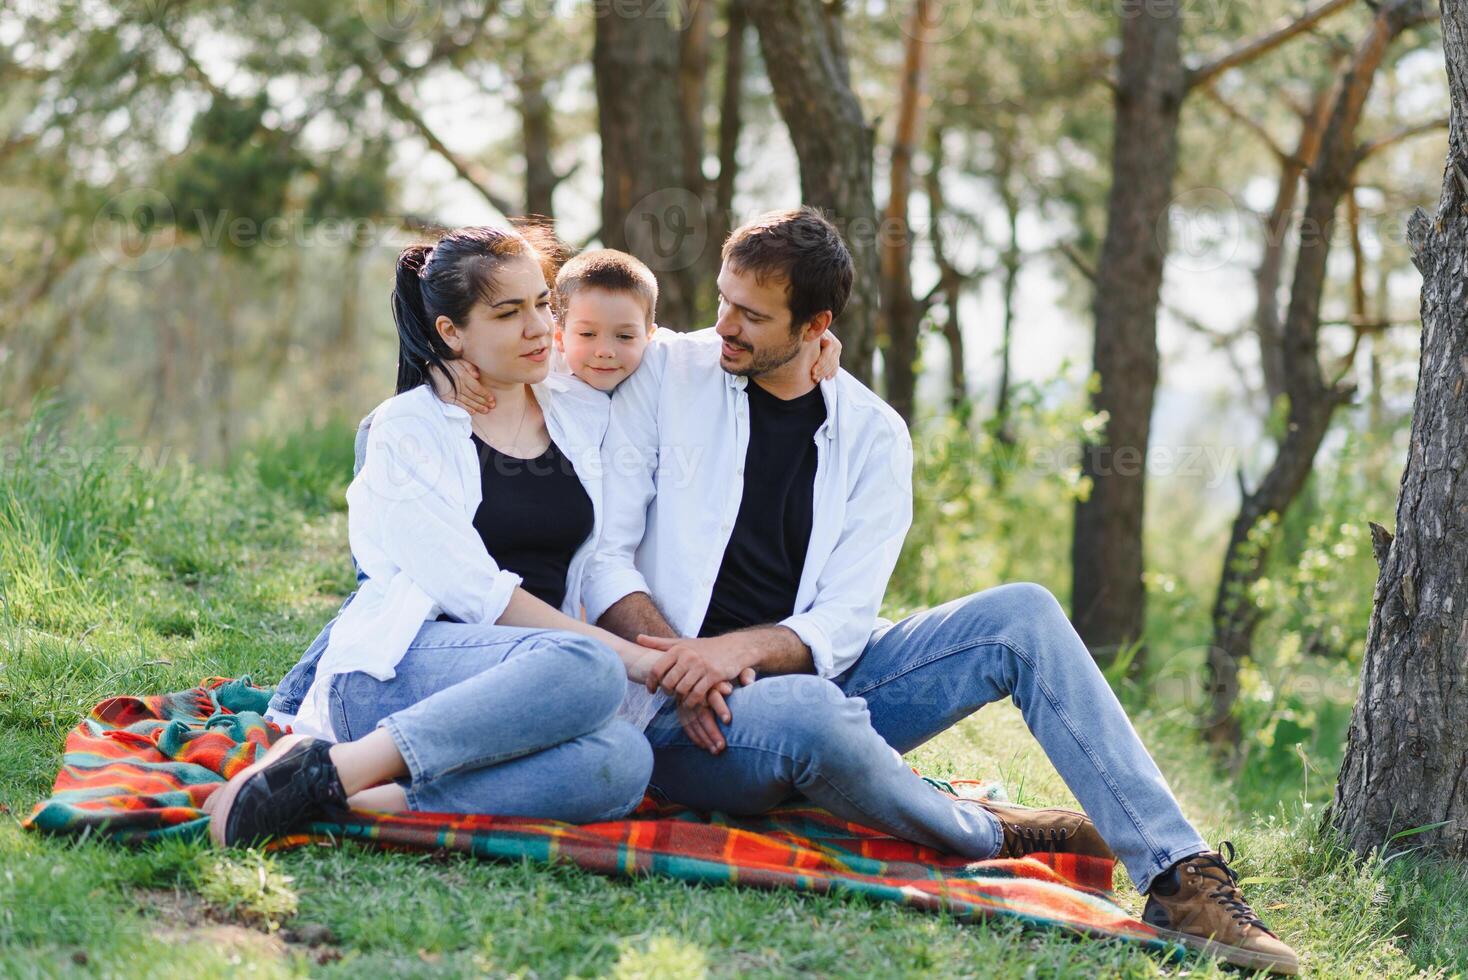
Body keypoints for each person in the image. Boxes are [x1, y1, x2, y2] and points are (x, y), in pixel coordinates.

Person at [567, 207, 1300, 976]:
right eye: (722, 300)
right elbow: (606, 550)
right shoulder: (666, 371)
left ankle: (1181, 876)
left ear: (817, 325)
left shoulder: (873, 435)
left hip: (813, 675)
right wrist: (683, 663)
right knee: (815, 714)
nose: (723, 325)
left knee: (1021, 613)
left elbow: (844, 622)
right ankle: (990, 832)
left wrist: (737, 650)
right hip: (685, 712)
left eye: (752, 315)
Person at [212, 226, 663, 846]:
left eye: (541, 304)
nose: (538, 328)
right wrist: (629, 656)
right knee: (593, 667)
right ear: (450, 333)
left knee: (625, 762)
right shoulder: (408, 430)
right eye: (508, 313)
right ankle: (339, 764)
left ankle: (354, 801)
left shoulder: (577, 405)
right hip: (398, 672)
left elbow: (665, 344)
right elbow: (477, 594)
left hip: (528, 680)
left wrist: (813, 350)